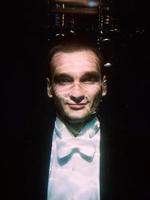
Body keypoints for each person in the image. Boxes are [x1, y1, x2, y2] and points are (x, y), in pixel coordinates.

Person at [46, 34, 107, 200]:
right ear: (49, 88)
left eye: (88, 80)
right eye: (64, 81)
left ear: (104, 86)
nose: (77, 93)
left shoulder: (135, 149)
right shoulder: (18, 147)